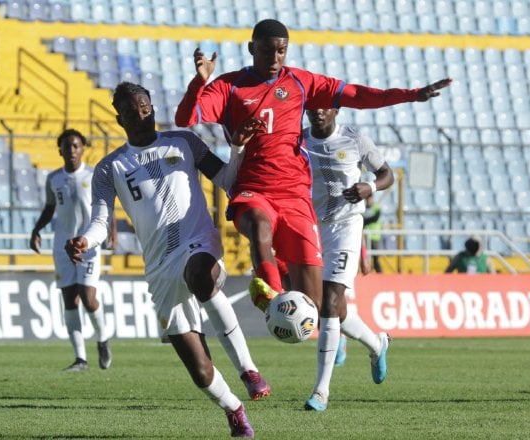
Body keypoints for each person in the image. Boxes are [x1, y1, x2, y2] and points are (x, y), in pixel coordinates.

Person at [175, 18, 449, 410]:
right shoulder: (230, 85)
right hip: (253, 187)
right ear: (252, 48)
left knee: (325, 307)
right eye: (267, 49)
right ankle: (268, 293)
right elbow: (187, 118)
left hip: (296, 198)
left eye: (281, 50)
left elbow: (357, 94)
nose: (275, 57)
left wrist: (410, 95)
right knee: (257, 227)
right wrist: (199, 81)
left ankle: (374, 341)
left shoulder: (301, 82)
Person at [65, 82, 269, 437]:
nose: (142, 116)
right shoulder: (108, 168)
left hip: (197, 241)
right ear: (120, 118)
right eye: (133, 112)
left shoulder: (184, 142)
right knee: (201, 372)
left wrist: (237, 147)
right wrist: (85, 239)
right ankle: (234, 409)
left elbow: (225, 178)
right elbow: (100, 223)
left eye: (146, 108)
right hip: (160, 270)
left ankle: (248, 370)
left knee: (202, 276)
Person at [303, 107, 395, 411]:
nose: (318, 111)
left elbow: (387, 174)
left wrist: (369, 186)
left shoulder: (355, 140)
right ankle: (376, 344)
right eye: (312, 105)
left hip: (346, 227)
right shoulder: (298, 141)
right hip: (312, 227)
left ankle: (321, 391)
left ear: (336, 109)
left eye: (325, 106)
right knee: (328, 307)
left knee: (330, 301)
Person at [30, 128, 115, 371]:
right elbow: (49, 208)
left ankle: (102, 339)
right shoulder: (54, 179)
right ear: (60, 150)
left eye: (76, 146)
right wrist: (36, 230)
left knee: (88, 298)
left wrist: (112, 233)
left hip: (88, 244)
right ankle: (80, 359)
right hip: (61, 246)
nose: (72, 150)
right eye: (67, 146)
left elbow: (106, 206)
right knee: (69, 299)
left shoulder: (93, 174)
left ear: (82, 149)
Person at [362, 195, 383, 273]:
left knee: (375, 257)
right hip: (365, 236)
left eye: (370, 198)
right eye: (367, 198)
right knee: (366, 257)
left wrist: (366, 221)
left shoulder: (376, 207)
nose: (368, 200)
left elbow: (375, 218)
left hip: (374, 235)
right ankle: (367, 273)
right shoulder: (363, 208)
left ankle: (379, 274)